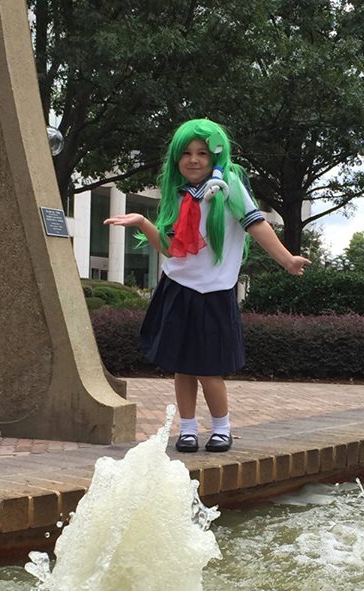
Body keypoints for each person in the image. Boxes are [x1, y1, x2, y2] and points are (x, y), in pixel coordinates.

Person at [104, 118, 310, 453]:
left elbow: (256, 224)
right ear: (176, 160)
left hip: (213, 291)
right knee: (182, 367)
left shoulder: (228, 186)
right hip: (177, 288)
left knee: (209, 369)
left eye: (202, 152)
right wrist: (142, 221)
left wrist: (286, 260)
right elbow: (171, 249)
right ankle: (186, 429)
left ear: (216, 156)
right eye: (185, 153)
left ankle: (221, 428)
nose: (194, 159)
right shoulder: (177, 194)